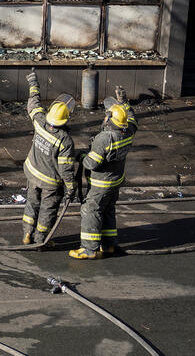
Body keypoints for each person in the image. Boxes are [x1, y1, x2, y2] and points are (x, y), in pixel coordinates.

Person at [70, 86, 138, 260]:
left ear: (110, 119)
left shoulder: (105, 139)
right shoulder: (127, 131)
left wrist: (82, 155)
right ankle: (108, 245)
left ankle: (89, 249)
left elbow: (91, 163)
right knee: (108, 210)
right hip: (116, 181)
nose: (105, 115)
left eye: (107, 114)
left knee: (90, 210)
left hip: (101, 183)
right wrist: (123, 102)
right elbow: (133, 119)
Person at [21, 70, 76, 245]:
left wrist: (33, 84)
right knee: (47, 210)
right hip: (51, 183)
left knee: (31, 203)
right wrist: (71, 188)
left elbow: (33, 104)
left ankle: (27, 233)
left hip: (32, 173)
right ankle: (40, 239)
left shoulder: (39, 121)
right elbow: (66, 169)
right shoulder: (65, 141)